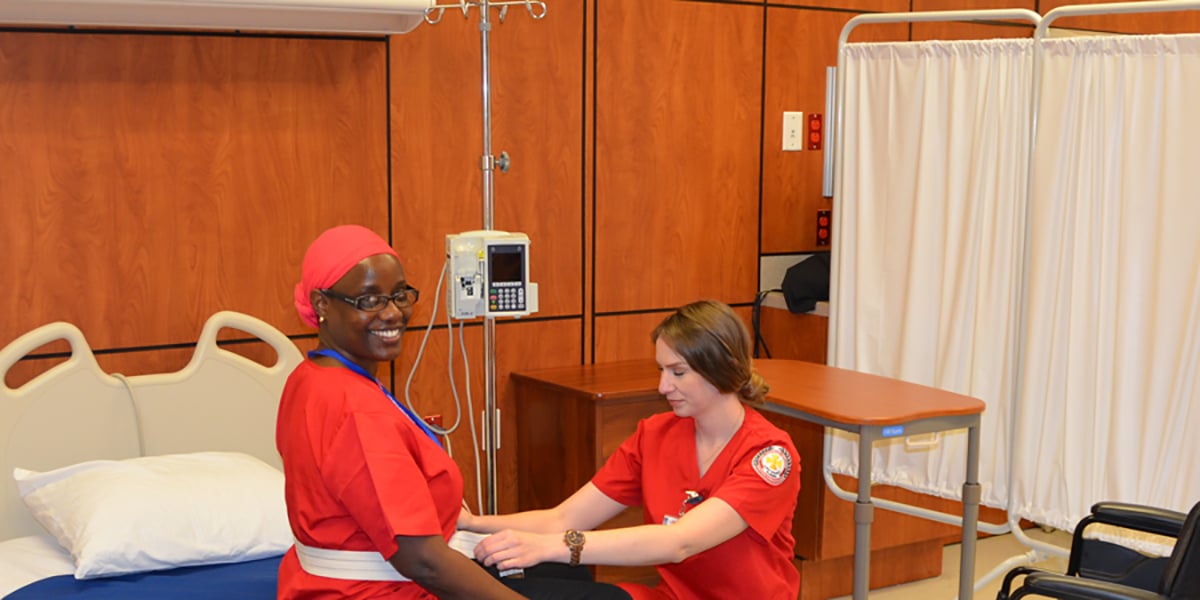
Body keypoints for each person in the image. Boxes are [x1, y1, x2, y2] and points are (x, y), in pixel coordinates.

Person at [460, 299, 802, 600]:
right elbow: (563, 518)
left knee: (550, 559)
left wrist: (559, 546)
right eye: (662, 370)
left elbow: (680, 542)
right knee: (501, 579)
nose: (663, 386)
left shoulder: (769, 456)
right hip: (671, 596)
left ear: (720, 370)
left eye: (678, 372)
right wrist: (474, 524)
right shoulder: (654, 434)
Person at [275, 224, 526, 599]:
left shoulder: (310, 378)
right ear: (322, 304)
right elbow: (423, 560)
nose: (392, 313)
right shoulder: (357, 410)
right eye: (369, 300)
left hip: (325, 584)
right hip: (381, 589)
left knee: (564, 577)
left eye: (399, 295)